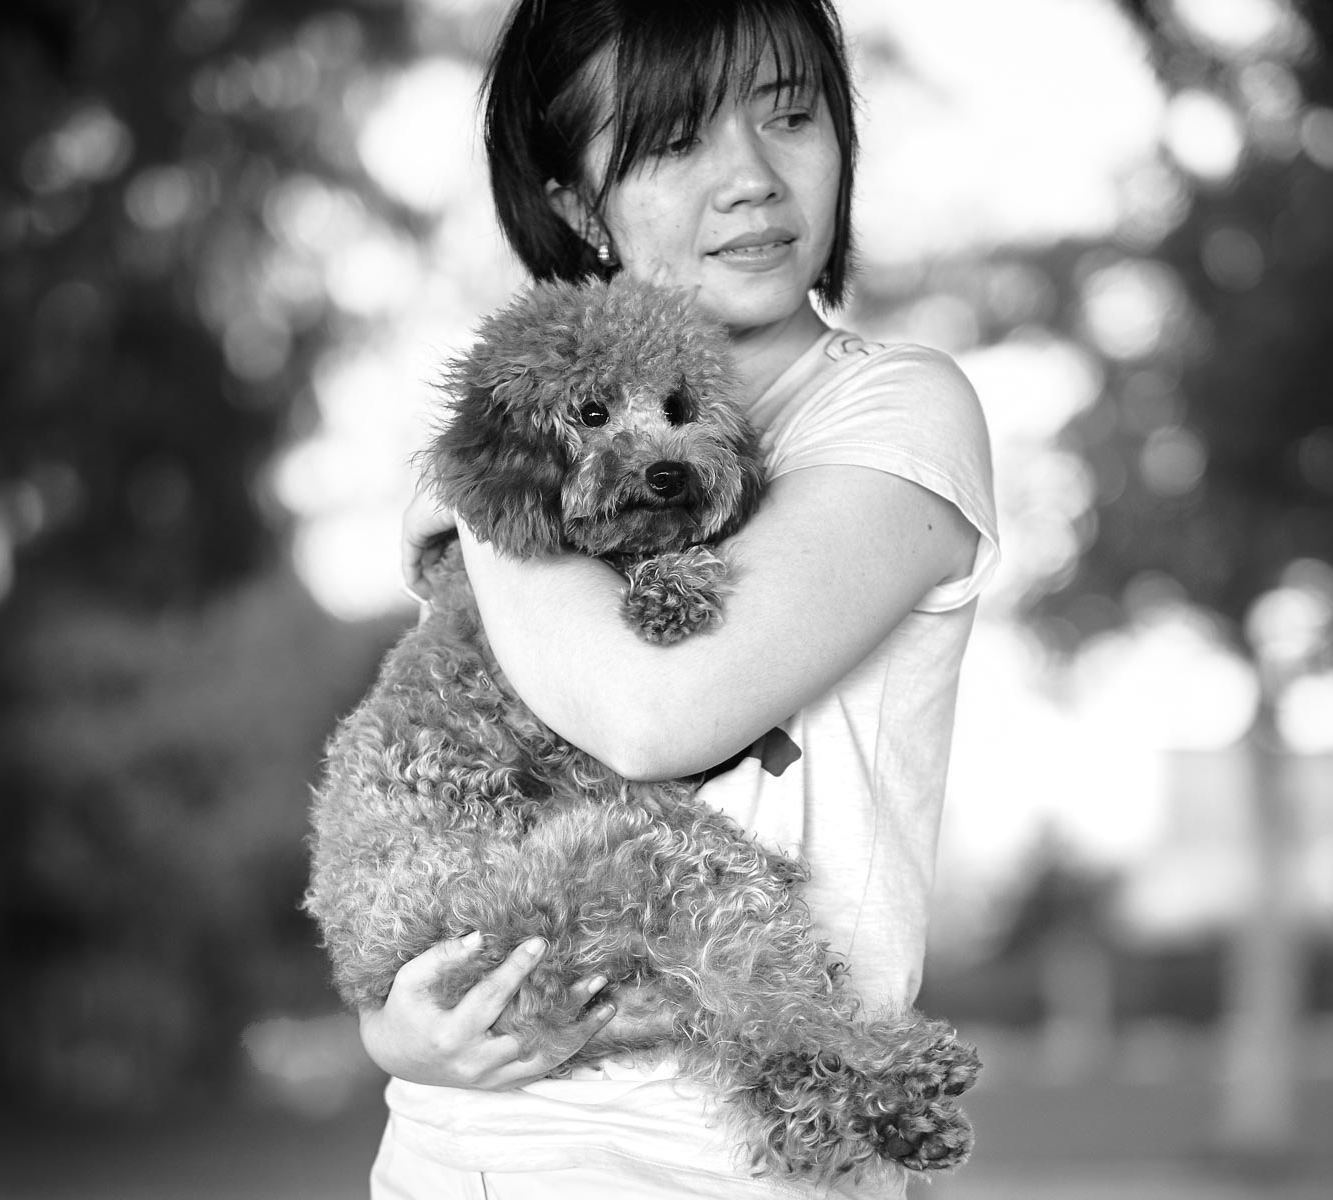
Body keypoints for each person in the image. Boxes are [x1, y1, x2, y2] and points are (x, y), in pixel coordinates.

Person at [361, 1, 998, 1196]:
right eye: (672, 142)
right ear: (573, 200)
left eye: (793, 117)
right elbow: (435, 796)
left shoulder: (897, 411)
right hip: (461, 1155)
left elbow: (655, 719)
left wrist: (489, 486)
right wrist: (395, 1032)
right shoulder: (519, 440)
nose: (752, 179)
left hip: (738, 1161)